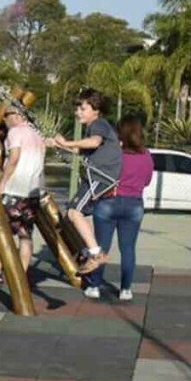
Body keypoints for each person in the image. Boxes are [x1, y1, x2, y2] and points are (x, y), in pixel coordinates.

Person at [45, 89, 121, 276]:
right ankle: (89, 250)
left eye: (83, 108)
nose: (78, 112)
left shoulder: (98, 124)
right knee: (74, 213)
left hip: (101, 176)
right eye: (77, 108)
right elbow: (82, 151)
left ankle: (96, 254)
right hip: (97, 175)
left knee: (73, 212)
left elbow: (94, 143)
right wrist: (59, 145)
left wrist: (68, 142)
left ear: (96, 110)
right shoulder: (94, 126)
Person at [84, 114, 154, 301]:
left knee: (101, 247)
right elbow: (147, 180)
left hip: (109, 200)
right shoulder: (146, 155)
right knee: (128, 248)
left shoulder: (114, 153)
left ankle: (94, 285)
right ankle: (126, 289)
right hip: (134, 204)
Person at [0, 106, 47, 286]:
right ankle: (21, 274)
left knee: (2, 232)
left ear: (16, 116)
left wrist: (2, 182)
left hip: (14, 189)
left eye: (5, 116)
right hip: (32, 192)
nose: (4, 120)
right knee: (25, 235)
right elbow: (41, 166)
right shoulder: (38, 136)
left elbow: (14, 158)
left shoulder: (15, 132)